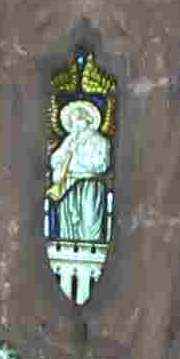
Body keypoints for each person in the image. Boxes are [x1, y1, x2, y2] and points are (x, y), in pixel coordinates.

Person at [44, 82, 111, 298]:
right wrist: (66, 155)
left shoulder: (98, 140)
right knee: (67, 227)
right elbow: (55, 160)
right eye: (72, 120)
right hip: (67, 188)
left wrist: (75, 164)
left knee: (89, 223)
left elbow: (100, 164)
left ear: (88, 120)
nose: (75, 123)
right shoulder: (69, 141)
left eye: (79, 118)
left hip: (88, 186)